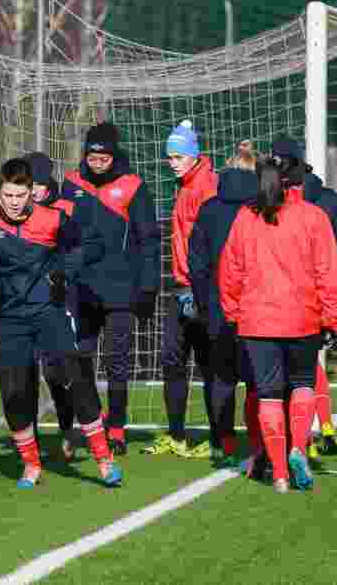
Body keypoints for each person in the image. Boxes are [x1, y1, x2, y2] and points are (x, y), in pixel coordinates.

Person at [0, 157, 121, 489]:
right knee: (13, 392)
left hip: (48, 312)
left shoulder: (55, 218)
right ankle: (31, 465)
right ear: (0, 192)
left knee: (75, 376)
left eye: (19, 195)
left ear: (32, 193)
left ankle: (102, 459)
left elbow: (88, 246)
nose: (12, 202)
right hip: (10, 318)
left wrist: (63, 271)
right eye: (7, 195)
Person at [218, 155, 337, 493]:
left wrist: (233, 312)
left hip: (256, 322)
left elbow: (229, 270)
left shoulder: (245, 217)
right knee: (303, 385)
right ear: (297, 182)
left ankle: (278, 475)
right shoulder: (314, 217)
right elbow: (328, 273)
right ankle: (298, 450)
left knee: (268, 394)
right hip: (303, 319)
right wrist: (333, 317)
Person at [61, 122, 161, 455]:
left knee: (117, 362)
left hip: (121, 291)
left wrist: (148, 287)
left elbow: (149, 240)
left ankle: (117, 428)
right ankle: (92, 421)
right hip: (81, 290)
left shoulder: (133, 187)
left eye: (104, 153)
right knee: (79, 359)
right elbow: (58, 231)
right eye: (92, 153)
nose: (98, 159)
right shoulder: (72, 184)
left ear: (114, 154)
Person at [269, 138, 337, 459]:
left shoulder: (319, 202)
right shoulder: (313, 198)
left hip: (304, 295)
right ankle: (323, 427)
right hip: (307, 294)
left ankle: (300, 438)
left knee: (294, 369)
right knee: (307, 365)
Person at [144, 119, 218, 458]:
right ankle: (176, 434)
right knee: (172, 360)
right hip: (180, 286)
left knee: (209, 363)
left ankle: (220, 439)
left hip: (200, 289)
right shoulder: (185, 185)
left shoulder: (206, 186)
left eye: (177, 156)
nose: (171, 162)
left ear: (193, 155)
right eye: (169, 156)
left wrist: (201, 288)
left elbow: (212, 242)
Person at [187, 141, 261, 468]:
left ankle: (222, 441)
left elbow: (197, 263)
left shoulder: (209, 209)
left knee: (220, 376)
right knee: (260, 379)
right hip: (259, 309)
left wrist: (205, 303)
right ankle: (261, 441)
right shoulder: (264, 208)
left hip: (217, 308)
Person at [24, 151, 98, 462]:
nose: (33, 191)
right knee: (28, 370)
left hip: (62, 300)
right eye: (29, 185)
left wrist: (64, 272)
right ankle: (32, 442)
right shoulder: (15, 212)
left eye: (37, 184)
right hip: (26, 303)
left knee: (64, 368)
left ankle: (74, 428)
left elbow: (88, 247)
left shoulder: (68, 209)